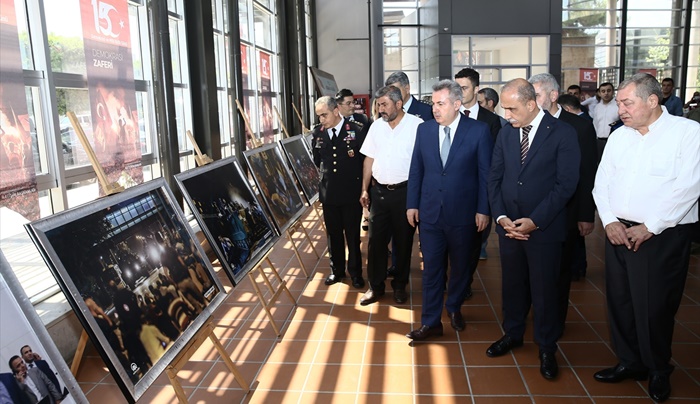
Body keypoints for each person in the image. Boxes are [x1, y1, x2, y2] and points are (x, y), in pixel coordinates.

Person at [591, 73, 700, 403]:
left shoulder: (687, 133)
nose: (620, 109)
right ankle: (630, 362)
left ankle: (657, 369)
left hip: (662, 234)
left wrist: (651, 225)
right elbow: (602, 182)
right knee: (621, 302)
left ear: (652, 101)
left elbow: (689, 188)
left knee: (653, 306)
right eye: (620, 103)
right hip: (618, 231)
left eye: (627, 102)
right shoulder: (620, 136)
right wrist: (609, 221)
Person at [486, 78, 580, 380]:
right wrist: (501, 218)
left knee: (544, 291)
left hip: (544, 229)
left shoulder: (564, 133)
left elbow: (565, 185)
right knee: (512, 286)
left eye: (512, 109)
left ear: (531, 104)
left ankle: (546, 347)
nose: (507, 115)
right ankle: (513, 333)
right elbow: (494, 178)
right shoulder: (505, 134)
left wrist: (535, 220)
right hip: (509, 227)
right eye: (504, 109)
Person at [405, 80, 492, 340]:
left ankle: (453, 307)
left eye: (440, 104)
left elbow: (485, 174)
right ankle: (430, 322)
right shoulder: (425, 130)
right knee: (431, 270)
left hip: (464, 214)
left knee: (461, 267)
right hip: (430, 213)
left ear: (457, 104)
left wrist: (483, 209)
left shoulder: (479, 131)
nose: (435, 109)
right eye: (433, 103)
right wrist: (412, 204)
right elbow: (416, 169)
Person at [528, 73, 598, 337]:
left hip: (565, 213)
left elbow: (586, 173)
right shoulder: (525, 124)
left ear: (553, 96)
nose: (531, 101)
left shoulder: (578, 127)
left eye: (536, 95)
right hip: (531, 212)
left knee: (559, 271)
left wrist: (585, 214)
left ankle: (554, 322)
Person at [359, 85, 422, 305]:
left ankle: (399, 286)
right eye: (378, 105)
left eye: (384, 104)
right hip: (380, 193)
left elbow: (423, 163)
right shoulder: (376, 127)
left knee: (403, 243)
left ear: (398, 103)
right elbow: (369, 159)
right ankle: (375, 287)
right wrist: (365, 189)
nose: (380, 109)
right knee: (375, 243)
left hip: (406, 193)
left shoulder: (417, 126)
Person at [311, 95, 366, 289]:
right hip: (329, 193)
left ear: (336, 111)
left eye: (324, 115)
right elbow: (318, 160)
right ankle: (337, 271)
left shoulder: (356, 131)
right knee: (333, 235)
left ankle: (356, 273)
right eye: (319, 116)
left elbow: (363, 161)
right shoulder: (318, 133)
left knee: (352, 235)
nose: (321, 120)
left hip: (351, 193)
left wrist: (363, 189)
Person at [454, 68, 501, 289]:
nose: (459, 92)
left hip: (476, 192)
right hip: (451, 192)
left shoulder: (490, 121)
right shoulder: (448, 115)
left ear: (476, 89)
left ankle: (465, 283)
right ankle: (453, 282)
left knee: (472, 245)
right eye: (457, 88)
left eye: (463, 88)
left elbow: (491, 163)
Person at [591, 82, 619, 157]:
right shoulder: (597, 107)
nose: (606, 93)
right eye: (603, 91)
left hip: (614, 141)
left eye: (608, 90)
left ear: (613, 92)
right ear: (599, 93)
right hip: (599, 141)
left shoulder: (618, 106)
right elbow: (595, 124)